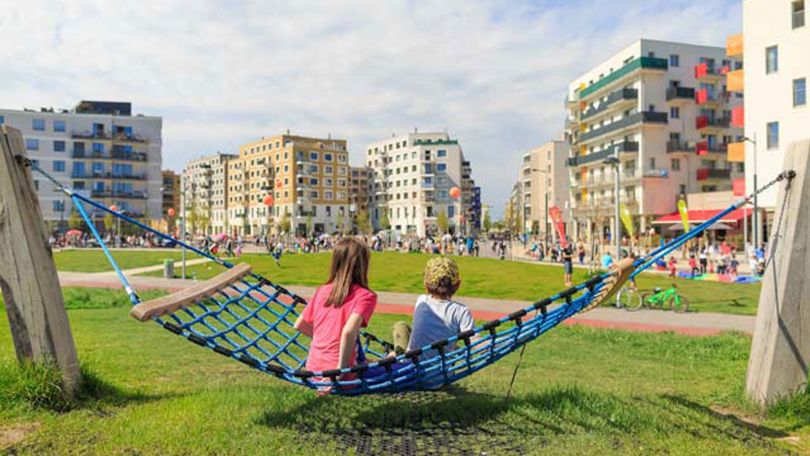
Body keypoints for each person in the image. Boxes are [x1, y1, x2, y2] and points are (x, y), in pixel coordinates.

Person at [293, 238, 377, 394]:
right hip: (344, 378)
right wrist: (340, 371)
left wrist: (326, 340)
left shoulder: (322, 290)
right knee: (401, 367)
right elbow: (348, 331)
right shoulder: (365, 296)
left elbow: (299, 324)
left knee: (363, 353)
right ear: (363, 265)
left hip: (314, 371)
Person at [391, 257, 476, 387]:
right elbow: (474, 340)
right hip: (440, 378)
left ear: (426, 285)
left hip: (411, 372)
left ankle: (395, 355)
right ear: (458, 284)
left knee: (400, 326)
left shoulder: (422, 301)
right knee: (449, 343)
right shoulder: (461, 311)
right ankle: (396, 355)